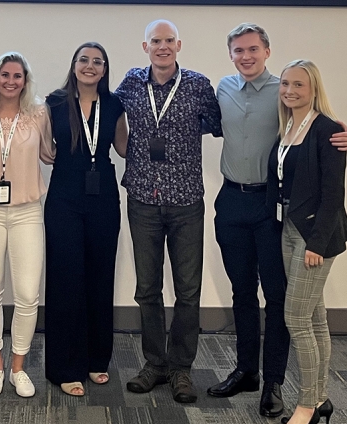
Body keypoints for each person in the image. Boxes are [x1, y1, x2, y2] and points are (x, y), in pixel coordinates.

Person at [207, 23, 347, 418]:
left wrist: (343, 134)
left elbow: (319, 125)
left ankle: (273, 383)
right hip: (231, 201)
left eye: (253, 49)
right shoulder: (222, 89)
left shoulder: (286, 89)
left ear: (266, 51)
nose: (246, 56)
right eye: (238, 51)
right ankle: (245, 371)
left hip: (272, 209)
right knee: (241, 291)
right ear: (231, 55)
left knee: (277, 298)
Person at [115, 19, 222, 403]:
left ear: (179, 45)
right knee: (147, 289)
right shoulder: (130, 82)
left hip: (186, 201)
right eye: (155, 41)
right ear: (145, 46)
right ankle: (155, 363)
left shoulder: (197, 85)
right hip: (142, 198)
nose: (163, 47)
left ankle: (181, 368)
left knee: (188, 291)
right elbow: (102, 110)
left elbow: (230, 122)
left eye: (169, 41)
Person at [267, 59, 347, 424]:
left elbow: (334, 193)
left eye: (298, 85)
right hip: (290, 229)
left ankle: (306, 406)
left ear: (313, 87)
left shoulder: (328, 129)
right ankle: (321, 398)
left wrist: (316, 244)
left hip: (315, 236)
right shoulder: (288, 125)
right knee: (314, 317)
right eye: (285, 84)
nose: (290, 91)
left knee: (295, 320)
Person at [0, 52, 53, 398]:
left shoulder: (38, 115)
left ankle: (18, 367)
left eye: (18, 76)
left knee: (28, 295)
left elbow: (50, 153)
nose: (11, 81)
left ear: (25, 80)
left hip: (27, 211)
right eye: (5, 75)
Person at [44, 42, 128, 396]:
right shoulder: (54, 102)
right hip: (64, 196)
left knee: (99, 277)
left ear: (105, 69)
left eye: (98, 62)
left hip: (103, 197)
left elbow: (124, 148)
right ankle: (65, 366)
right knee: (66, 280)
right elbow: (45, 151)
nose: (90, 66)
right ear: (74, 65)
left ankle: (96, 360)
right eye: (84, 60)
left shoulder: (114, 104)